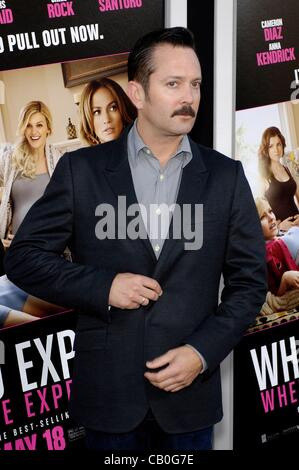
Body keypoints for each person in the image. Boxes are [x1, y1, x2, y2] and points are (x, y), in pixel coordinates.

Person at [5, 27, 266, 451]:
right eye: (173, 83)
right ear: (137, 94)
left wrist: (201, 353)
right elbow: (24, 258)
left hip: (189, 402)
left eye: (195, 84)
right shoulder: (81, 171)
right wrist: (103, 286)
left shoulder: (226, 177)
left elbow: (250, 284)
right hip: (109, 399)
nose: (189, 97)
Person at [256, 197, 299, 296]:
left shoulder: (278, 239)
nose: (271, 218)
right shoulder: (269, 251)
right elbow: (276, 296)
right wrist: (285, 279)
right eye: (262, 217)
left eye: (270, 211)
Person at [258, 126, 299, 230]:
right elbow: (259, 215)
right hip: (282, 235)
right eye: (271, 146)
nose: (276, 150)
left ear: (283, 145)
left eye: (278, 144)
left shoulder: (288, 168)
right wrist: (279, 226)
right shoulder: (263, 176)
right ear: (266, 149)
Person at [79, 77, 137, 146]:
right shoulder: (83, 156)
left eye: (113, 108)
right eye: (97, 112)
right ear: (87, 121)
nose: (106, 120)